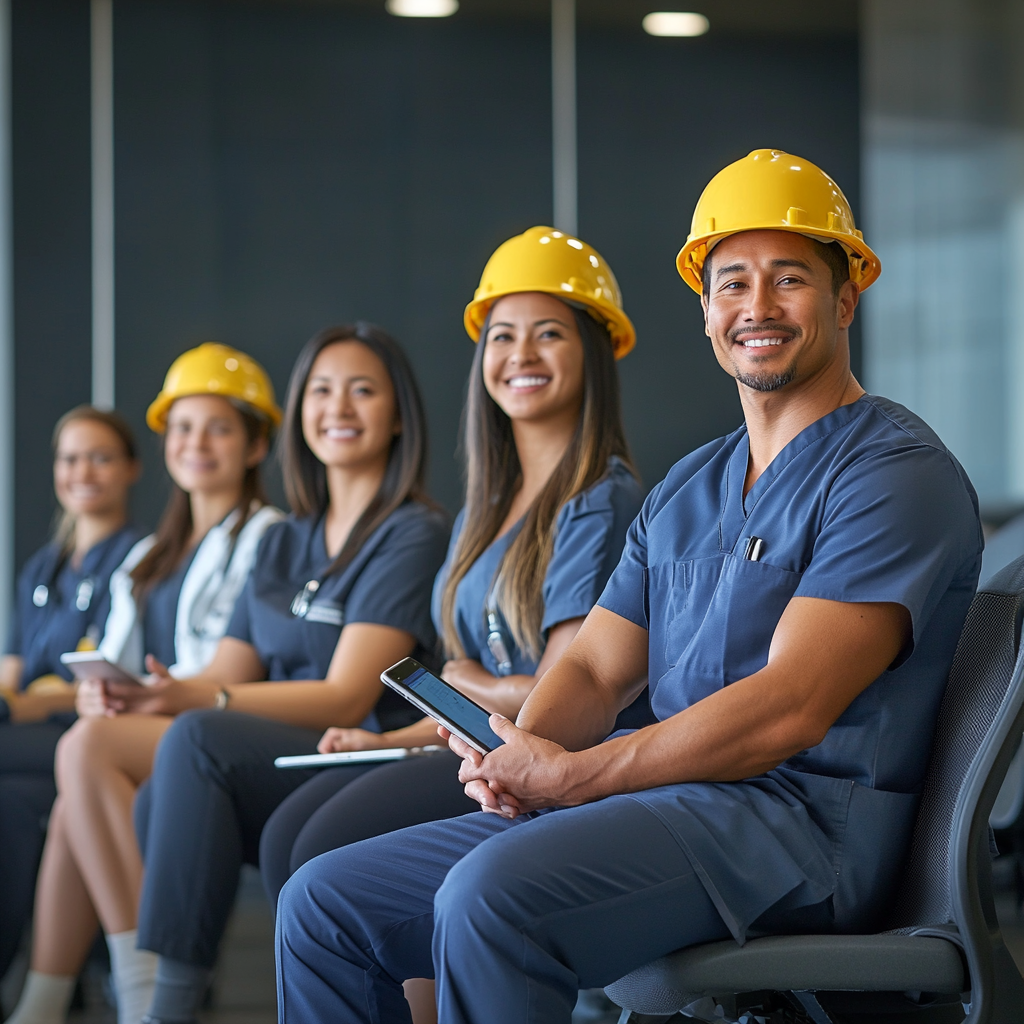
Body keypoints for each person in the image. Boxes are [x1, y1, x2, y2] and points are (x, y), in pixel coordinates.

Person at [274, 149, 985, 1024]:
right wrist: (521, 754)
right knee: (322, 904)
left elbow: (792, 706)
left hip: (793, 830)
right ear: (705, 311)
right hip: (664, 809)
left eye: (789, 278)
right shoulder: (689, 487)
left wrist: (576, 778)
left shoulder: (891, 474)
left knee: (491, 899)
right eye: (731, 284)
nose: (756, 307)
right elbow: (597, 671)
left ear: (845, 298)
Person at [259, 230, 645, 1020]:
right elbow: (466, 699)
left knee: (315, 852)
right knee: (289, 837)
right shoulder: (481, 512)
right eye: (501, 335)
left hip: (552, 770)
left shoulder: (599, 501)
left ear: (594, 353)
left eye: (549, 333)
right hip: (484, 751)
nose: (520, 353)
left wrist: (465, 683)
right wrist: (386, 739)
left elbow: (557, 689)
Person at [105, 323, 450, 1024]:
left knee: (198, 740)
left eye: (362, 390)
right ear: (299, 415)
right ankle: (177, 1000)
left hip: (366, 752)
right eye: (322, 390)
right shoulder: (284, 538)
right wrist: (160, 693)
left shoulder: (410, 531)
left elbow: (351, 694)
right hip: (297, 756)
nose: (339, 408)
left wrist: (200, 697)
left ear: (397, 417)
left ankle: (161, 1010)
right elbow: (230, 671)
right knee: (163, 785)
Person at [5, 343, 283, 1024]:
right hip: (156, 723)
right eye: (183, 428)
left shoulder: (268, 536)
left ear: (254, 446)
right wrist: (103, 690)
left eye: (218, 427)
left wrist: (136, 698)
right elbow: (114, 657)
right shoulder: (155, 551)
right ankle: (45, 1004)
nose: (196, 444)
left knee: (83, 752)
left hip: (221, 726)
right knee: (76, 795)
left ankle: (146, 990)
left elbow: (231, 674)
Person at [0, 406, 141, 985]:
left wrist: (23, 704)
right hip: (25, 741)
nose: (82, 470)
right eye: (70, 457)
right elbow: (12, 673)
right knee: (9, 809)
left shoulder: (138, 561)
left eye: (100, 457)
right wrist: (19, 701)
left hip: (80, 734)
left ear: (131, 469)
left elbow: (93, 685)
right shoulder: (42, 567)